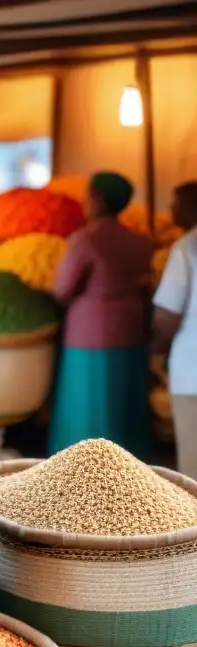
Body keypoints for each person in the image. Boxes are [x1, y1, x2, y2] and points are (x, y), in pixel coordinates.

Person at [49, 171, 154, 458]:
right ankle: (128, 468)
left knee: (88, 405)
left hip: (90, 333)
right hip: (131, 328)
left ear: (97, 198)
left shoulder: (85, 239)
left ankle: (81, 467)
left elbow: (63, 289)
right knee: (123, 402)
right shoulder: (141, 242)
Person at [153, 182, 197, 478]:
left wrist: (156, 348)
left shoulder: (187, 247)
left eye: (176, 203)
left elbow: (167, 315)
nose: (171, 211)